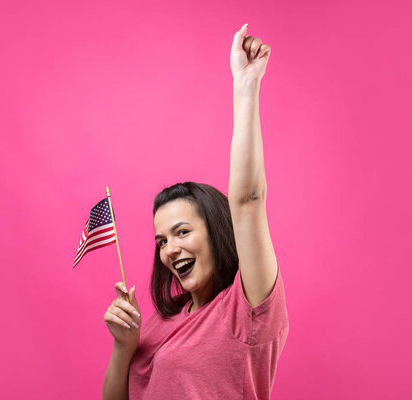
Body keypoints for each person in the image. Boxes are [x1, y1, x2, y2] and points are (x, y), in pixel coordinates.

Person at [102, 23, 288, 400]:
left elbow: (249, 200)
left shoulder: (245, 311)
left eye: (182, 232)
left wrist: (246, 85)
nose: (169, 249)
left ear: (218, 232)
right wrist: (124, 346)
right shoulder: (164, 321)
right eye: (162, 240)